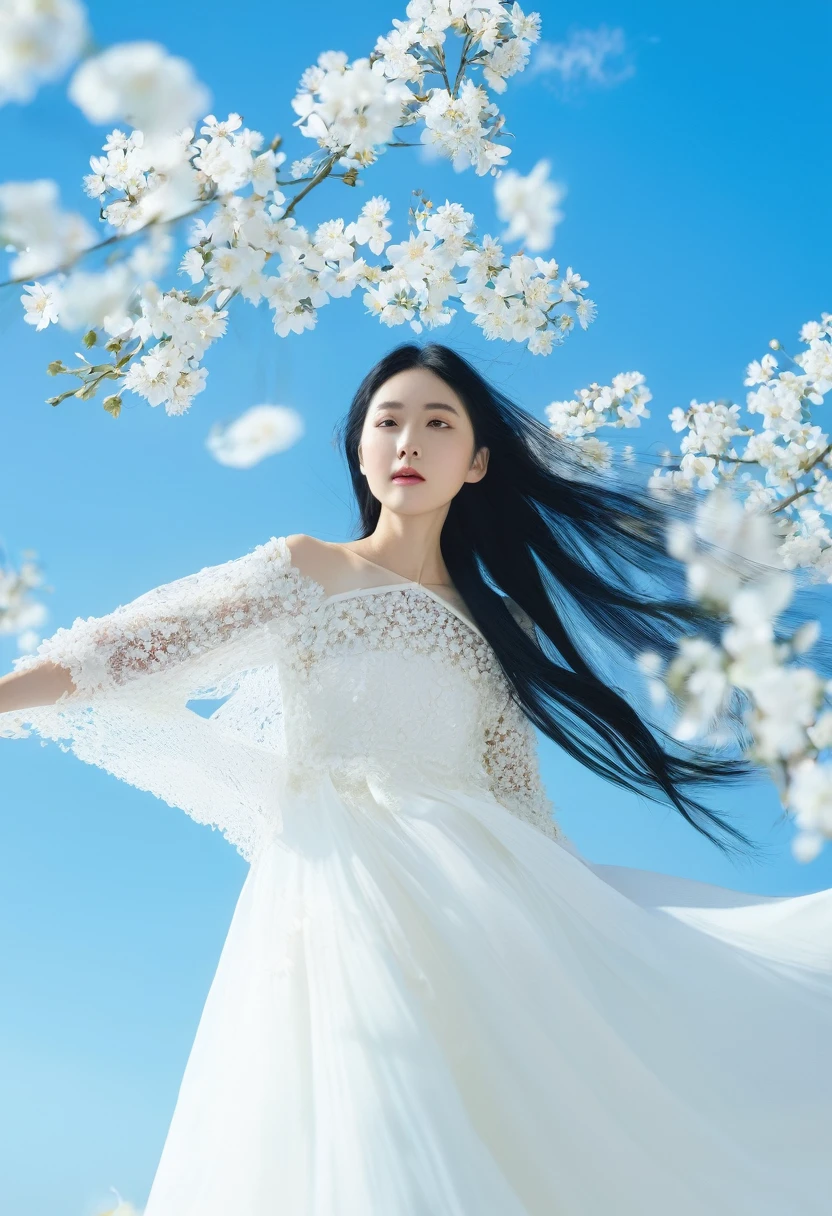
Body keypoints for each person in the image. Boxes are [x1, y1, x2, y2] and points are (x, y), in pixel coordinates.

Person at [1, 342, 831, 1216]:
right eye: (388, 421)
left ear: (475, 463)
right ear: (359, 448)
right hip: (337, 887)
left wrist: (602, 934)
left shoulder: (498, 623)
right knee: (348, 1118)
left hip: (475, 902)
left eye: (439, 424)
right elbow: (134, 647)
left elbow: (518, 801)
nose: (409, 441)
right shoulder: (308, 569)